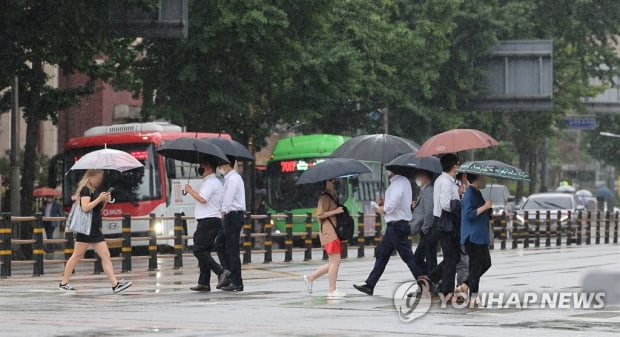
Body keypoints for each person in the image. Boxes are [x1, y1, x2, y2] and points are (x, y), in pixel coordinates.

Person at [59, 169, 132, 293]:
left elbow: (97, 209)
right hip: (87, 229)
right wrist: (99, 199)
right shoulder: (85, 190)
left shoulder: (94, 191)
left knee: (103, 255)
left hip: (93, 229)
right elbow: (86, 207)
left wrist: (104, 201)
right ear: (91, 176)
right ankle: (63, 283)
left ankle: (115, 285)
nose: (99, 180)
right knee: (78, 256)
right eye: (98, 177)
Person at [354, 169, 425, 296]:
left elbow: (396, 200)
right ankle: (370, 284)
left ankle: (425, 285)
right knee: (382, 254)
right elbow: (400, 202)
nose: (387, 170)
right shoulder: (402, 182)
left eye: (389, 168)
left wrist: (384, 209)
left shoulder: (398, 182)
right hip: (395, 226)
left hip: (397, 226)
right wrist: (384, 202)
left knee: (408, 257)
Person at [184, 160, 231, 292]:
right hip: (209, 220)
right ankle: (204, 282)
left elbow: (202, 199)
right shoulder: (211, 182)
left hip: (209, 220)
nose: (200, 168)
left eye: (202, 166)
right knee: (203, 251)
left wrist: (190, 190)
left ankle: (221, 272)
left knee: (198, 250)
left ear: (209, 167)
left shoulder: (211, 182)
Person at [303, 179, 346, 298]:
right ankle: (332, 290)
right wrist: (336, 211)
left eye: (334, 182)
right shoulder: (324, 198)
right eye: (331, 182)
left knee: (332, 262)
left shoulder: (332, 196)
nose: (334, 183)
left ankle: (310, 278)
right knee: (335, 261)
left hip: (333, 232)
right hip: (329, 232)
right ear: (325, 183)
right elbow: (320, 214)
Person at [428, 154, 462, 301]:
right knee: (451, 258)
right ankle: (446, 291)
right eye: (457, 163)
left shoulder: (445, 181)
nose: (459, 165)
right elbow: (446, 204)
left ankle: (431, 280)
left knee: (453, 257)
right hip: (445, 223)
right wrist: (462, 203)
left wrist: (459, 194)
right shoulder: (446, 182)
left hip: (443, 222)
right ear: (454, 165)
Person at [454, 173, 492, 304]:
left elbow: (479, 211)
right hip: (473, 237)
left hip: (480, 236)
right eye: (483, 177)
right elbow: (470, 214)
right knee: (475, 267)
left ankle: (464, 286)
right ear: (478, 178)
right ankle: (473, 297)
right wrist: (485, 207)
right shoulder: (470, 193)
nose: (485, 180)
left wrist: (487, 209)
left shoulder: (476, 192)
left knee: (485, 263)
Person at [215, 158, 246, 292]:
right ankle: (228, 274)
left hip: (232, 215)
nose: (219, 166)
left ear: (227, 164)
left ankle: (237, 282)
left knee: (232, 250)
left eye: (221, 164)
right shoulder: (230, 178)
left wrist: (223, 211)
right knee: (219, 244)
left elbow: (229, 197)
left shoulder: (233, 179)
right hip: (231, 215)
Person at [411, 169, 437, 277]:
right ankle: (432, 282)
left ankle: (433, 281)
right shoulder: (424, 190)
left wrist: (425, 228)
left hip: (428, 230)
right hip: (426, 230)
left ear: (424, 176)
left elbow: (430, 211)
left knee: (418, 259)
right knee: (429, 258)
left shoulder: (428, 190)